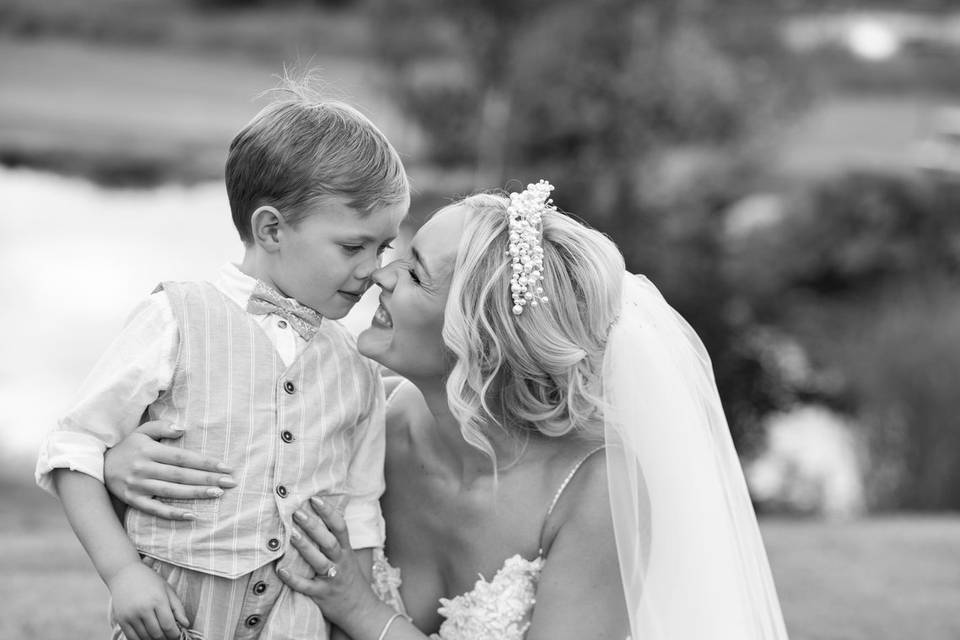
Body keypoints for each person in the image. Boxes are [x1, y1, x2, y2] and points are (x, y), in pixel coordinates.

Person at [105, 182, 790, 639]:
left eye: (415, 273)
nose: (379, 273)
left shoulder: (594, 490)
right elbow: (220, 479)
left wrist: (362, 610)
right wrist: (124, 462)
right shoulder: (355, 413)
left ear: (479, 336)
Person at [35, 83, 410, 640]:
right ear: (272, 229)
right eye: (353, 247)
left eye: (384, 248)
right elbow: (76, 448)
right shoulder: (175, 319)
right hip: (176, 616)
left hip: (296, 623)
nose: (375, 270)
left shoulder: (355, 369)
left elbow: (359, 511)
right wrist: (122, 574)